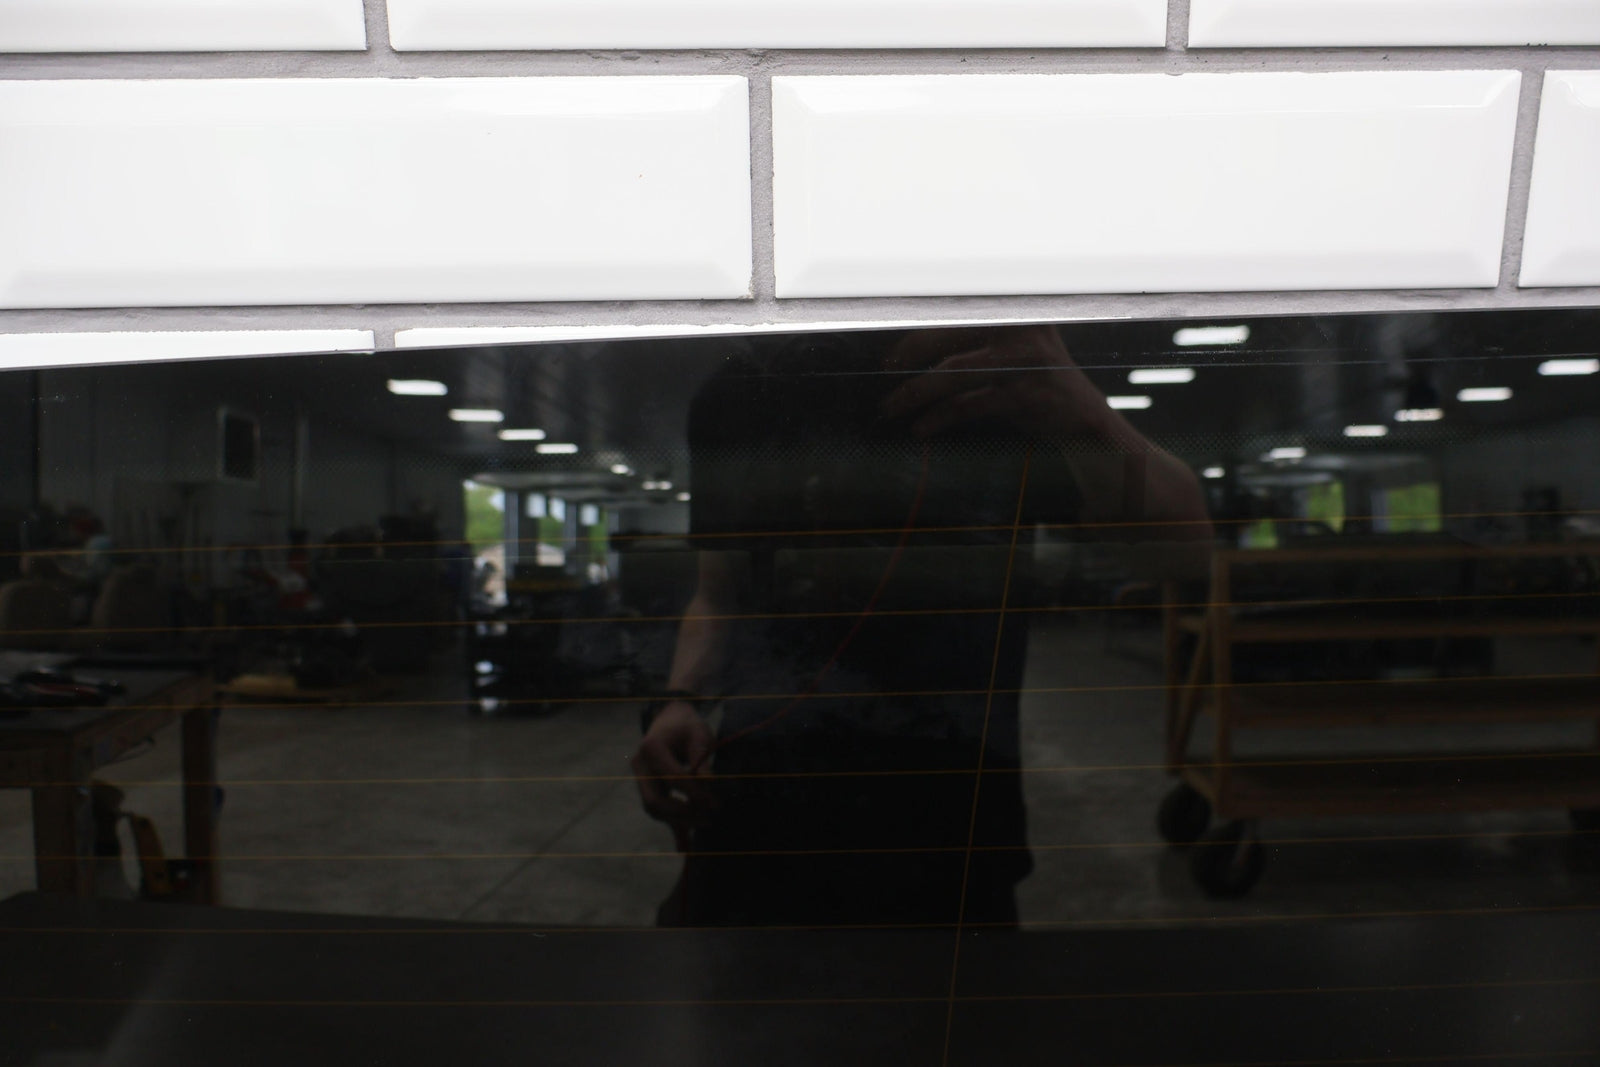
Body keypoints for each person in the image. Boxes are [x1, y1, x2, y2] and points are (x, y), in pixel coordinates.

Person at [631, 325, 1211, 927]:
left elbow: (1185, 554)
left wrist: (1086, 414)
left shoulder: (988, 376)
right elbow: (719, 593)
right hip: (758, 818)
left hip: (944, 831)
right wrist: (681, 699)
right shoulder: (739, 393)